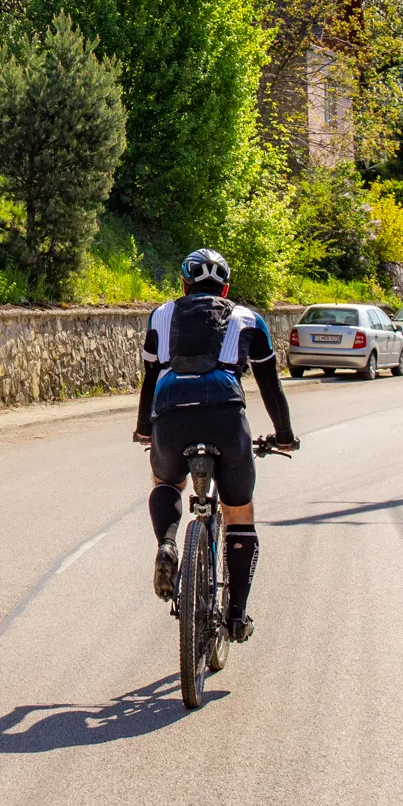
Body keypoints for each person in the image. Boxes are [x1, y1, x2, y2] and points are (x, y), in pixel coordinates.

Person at [135, 247, 299, 641]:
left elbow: (151, 376)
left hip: (171, 409)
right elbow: (270, 385)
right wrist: (285, 435)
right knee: (239, 512)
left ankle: (169, 544)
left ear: (184, 285)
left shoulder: (161, 315)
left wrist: (144, 429)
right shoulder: (248, 319)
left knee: (165, 482)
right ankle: (237, 615)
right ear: (225, 289)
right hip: (225, 413)